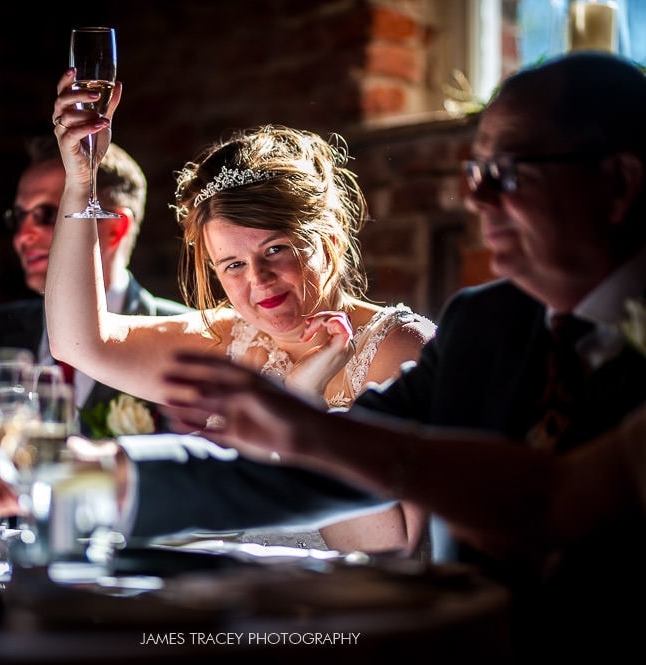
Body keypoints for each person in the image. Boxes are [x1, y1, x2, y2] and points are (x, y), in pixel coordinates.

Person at [156, 324, 646, 664]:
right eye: (229, 263)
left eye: (505, 173)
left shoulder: (399, 344)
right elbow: (557, 494)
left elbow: (401, 544)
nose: (479, 196)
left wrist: (308, 428)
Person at [44, 73, 436, 553]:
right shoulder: (233, 339)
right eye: (232, 264)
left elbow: (398, 554)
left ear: (328, 240)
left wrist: (303, 409)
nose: (258, 280)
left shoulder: (401, 350)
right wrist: (81, 183)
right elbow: (78, 342)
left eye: (275, 249)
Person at [0, 136, 188, 431]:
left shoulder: (183, 337)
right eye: (19, 218)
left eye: (48, 214)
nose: (22, 237)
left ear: (115, 229)